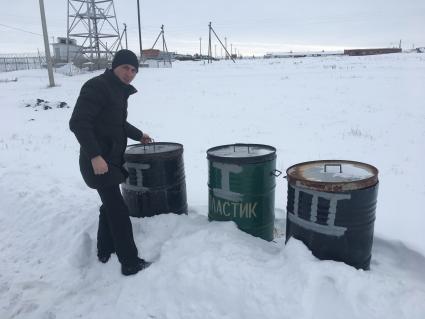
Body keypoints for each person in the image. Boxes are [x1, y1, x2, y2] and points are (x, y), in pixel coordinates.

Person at [69, 49, 152, 276]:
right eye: (126, 67)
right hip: (97, 162)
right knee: (118, 210)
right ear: (115, 66)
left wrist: (139, 135)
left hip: (110, 161)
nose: (130, 73)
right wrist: (95, 155)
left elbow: (118, 123)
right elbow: (78, 122)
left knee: (110, 205)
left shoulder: (117, 91)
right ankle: (130, 262)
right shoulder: (97, 86)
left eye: (134, 70)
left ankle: (104, 248)